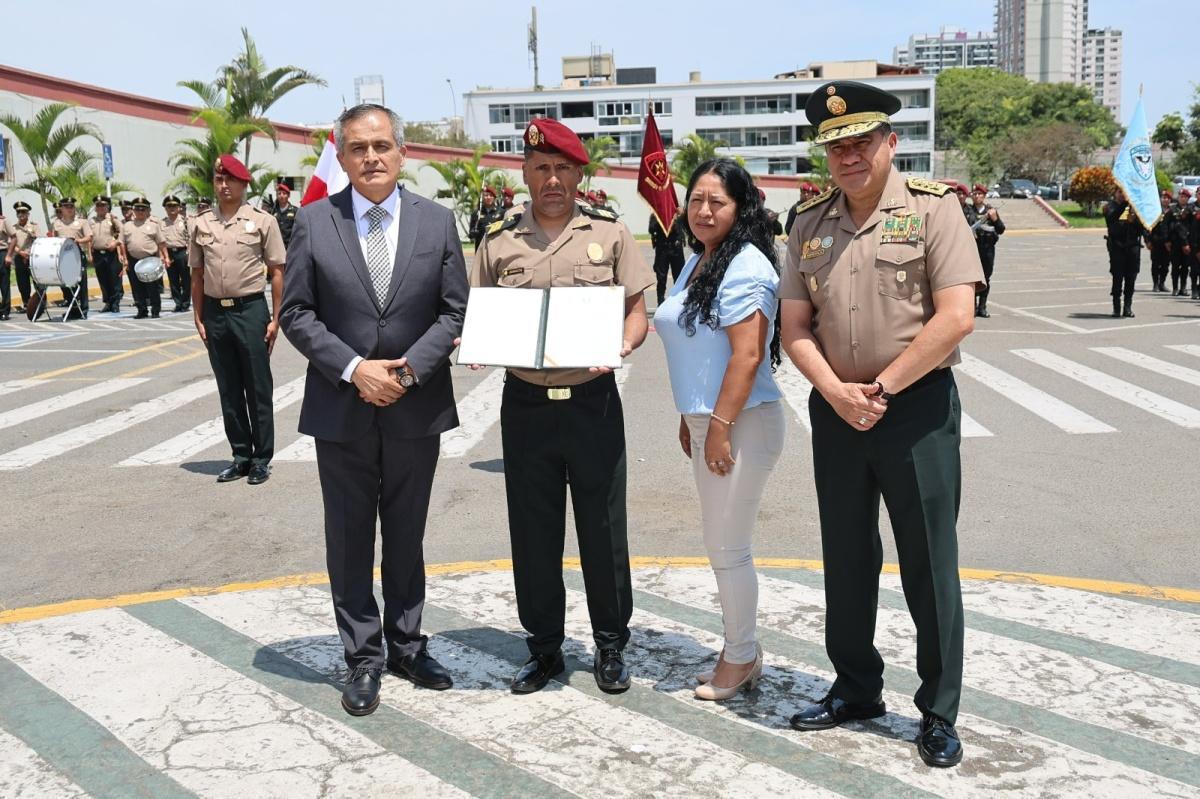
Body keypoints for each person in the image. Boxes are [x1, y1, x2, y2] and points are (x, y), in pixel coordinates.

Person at [779, 81, 983, 769]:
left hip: (915, 410)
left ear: (890, 143)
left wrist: (882, 388)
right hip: (837, 412)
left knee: (929, 560)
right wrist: (838, 392)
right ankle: (857, 686)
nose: (848, 155)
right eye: (837, 145)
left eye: (861, 141)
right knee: (847, 554)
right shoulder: (807, 224)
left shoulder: (935, 211)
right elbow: (794, 326)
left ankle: (938, 708)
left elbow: (956, 315)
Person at [279, 104, 468, 716]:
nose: (372, 158)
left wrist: (406, 372)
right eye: (358, 148)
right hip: (342, 406)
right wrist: (356, 369)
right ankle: (363, 657)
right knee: (350, 537)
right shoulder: (313, 221)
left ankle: (408, 644)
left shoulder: (438, 223)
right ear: (342, 155)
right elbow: (297, 313)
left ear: (402, 151)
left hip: (417, 406)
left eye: (382, 145)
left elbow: (454, 312)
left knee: (407, 533)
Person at [471, 118, 654, 695]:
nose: (552, 179)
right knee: (533, 531)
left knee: (603, 528)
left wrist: (625, 343)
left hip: (592, 400)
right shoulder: (498, 240)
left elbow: (636, 312)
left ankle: (610, 645)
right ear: (524, 173)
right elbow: (479, 312)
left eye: (563, 168)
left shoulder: (613, 234)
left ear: (579, 174)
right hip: (524, 403)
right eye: (541, 168)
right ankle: (544, 648)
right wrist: (477, 343)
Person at [654, 158, 785, 701]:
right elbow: (695, 349)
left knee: (728, 546)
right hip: (713, 420)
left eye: (718, 202)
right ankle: (738, 648)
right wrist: (691, 417)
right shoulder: (699, 262)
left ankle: (741, 656)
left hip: (743, 422)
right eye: (697, 200)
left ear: (741, 208)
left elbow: (747, 356)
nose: (704, 211)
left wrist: (719, 426)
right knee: (721, 544)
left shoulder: (746, 267)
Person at [189, 155, 285, 484]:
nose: (224, 185)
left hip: (250, 310)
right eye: (218, 180)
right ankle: (241, 455)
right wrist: (198, 316)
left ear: (244, 184)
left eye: (230, 180)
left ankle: (261, 458)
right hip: (216, 313)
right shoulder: (201, 223)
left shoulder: (263, 221)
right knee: (228, 388)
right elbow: (197, 275)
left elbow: (276, 271)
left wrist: (275, 318)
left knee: (258, 386)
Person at [121, 197, 168, 318]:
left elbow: (161, 243)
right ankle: (141, 310)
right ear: (133, 210)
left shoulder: (153, 226)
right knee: (136, 287)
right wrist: (125, 259)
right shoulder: (127, 226)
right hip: (133, 259)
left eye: (143, 209)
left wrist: (165, 257)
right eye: (137, 209)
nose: (140, 211)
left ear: (147, 210)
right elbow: (122, 243)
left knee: (152, 287)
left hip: (150, 260)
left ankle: (155, 309)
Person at [1103, 188, 1146, 318]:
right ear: (1115, 193)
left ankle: (1127, 307)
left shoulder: (1136, 207)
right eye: (1119, 192)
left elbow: (1142, 227)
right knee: (1117, 277)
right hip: (1117, 246)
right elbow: (1111, 219)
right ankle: (1116, 307)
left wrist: (1135, 221)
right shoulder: (1109, 206)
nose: (1122, 194)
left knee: (1131, 277)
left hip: (1132, 246)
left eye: (1125, 192)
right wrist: (1125, 205)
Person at [964, 184, 1005, 317]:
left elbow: (1001, 229)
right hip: (972, 249)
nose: (976, 196)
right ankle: (973, 307)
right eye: (974, 194)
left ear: (984, 196)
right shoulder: (967, 210)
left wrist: (995, 219)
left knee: (986, 278)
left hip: (987, 249)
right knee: (972, 278)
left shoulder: (991, 211)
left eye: (979, 194)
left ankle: (982, 307)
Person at [50, 197, 93, 318]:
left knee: (81, 283)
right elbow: (53, 239)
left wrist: (78, 240)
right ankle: (72, 308)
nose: (69, 209)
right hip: (62, 256)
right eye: (66, 207)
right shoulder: (57, 224)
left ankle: (83, 309)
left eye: (71, 206)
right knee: (65, 282)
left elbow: (89, 236)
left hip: (77, 254)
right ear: (61, 209)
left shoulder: (82, 222)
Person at [90, 196, 126, 313]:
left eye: (103, 205)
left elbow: (122, 233)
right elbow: (90, 237)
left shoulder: (113, 219)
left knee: (114, 279)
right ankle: (108, 302)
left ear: (107, 207)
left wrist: (116, 243)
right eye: (98, 205)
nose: (100, 208)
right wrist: (89, 253)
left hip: (111, 254)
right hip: (97, 254)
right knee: (103, 279)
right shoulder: (92, 221)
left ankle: (115, 303)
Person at [6, 202, 39, 316]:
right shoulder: (14, 228)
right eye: (18, 212)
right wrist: (21, 252)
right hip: (20, 258)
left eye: (23, 212)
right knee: (22, 283)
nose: (21, 214)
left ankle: (40, 303)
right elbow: (11, 243)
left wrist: (33, 234)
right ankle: (26, 303)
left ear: (28, 213)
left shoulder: (34, 226)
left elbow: (39, 240)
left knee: (37, 281)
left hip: (33, 258)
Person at [648, 209, 686, 305]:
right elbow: (651, 229)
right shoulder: (656, 214)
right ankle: (660, 301)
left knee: (679, 276)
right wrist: (656, 217)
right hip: (662, 248)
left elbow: (683, 227)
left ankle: (678, 301)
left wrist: (678, 216)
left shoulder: (677, 214)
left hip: (676, 248)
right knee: (661, 278)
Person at [161, 196, 191, 313]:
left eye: (174, 206)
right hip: (169, 253)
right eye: (169, 206)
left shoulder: (185, 221)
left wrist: (189, 253)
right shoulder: (162, 223)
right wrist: (164, 256)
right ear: (165, 208)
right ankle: (178, 303)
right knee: (173, 281)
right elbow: (161, 242)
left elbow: (190, 238)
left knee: (186, 280)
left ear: (179, 208)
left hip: (182, 252)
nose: (172, 208)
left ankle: (185, 303)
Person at [1148, 193, 1175, 293]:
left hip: (1167, 243)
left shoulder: (1172, 212)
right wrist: (1148, 240)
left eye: (1168, 198)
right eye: (1164, 198)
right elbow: (1148, 226)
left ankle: (1162, 283)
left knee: (1166, 264)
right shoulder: (1155, 211)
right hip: (1156, 241)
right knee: (1155, 264)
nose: (1165, 200)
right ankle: (1155, 284)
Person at [1170, 189, 1193, 296]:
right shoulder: (1172, 209)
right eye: (1181, 196)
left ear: (1188, 198)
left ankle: (1183, 288)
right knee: (1175, 266)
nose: (1182, 198)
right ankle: (1175, 288)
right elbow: (1166, 225)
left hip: (1187, 243)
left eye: (1185, 197)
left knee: (1185, 267)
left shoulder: (1191, 210)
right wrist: (1167, 240)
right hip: (1175, 242)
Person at [0, 204, 11, 321]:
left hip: (2, 253)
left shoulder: (3, 222)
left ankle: (4, 311)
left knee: (4, 283)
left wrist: (8, 255)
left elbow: (13, 237)